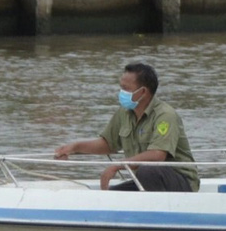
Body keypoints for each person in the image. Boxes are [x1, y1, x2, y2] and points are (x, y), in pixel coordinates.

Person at [53, 61, 197, 192]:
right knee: (114, 196)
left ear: (143, 92)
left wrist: (117, 165)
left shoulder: (165, 115)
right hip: (145, 180)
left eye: (125, 89)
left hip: (180, 181)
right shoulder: (125, 112)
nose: (121, 93)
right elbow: (108, 144)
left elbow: (157, 155)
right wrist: (74, 147)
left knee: (148, 170)